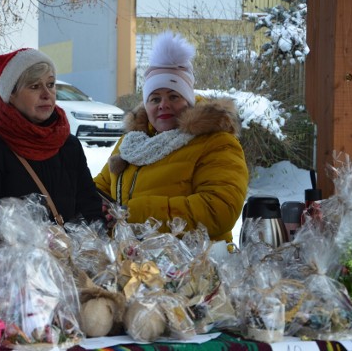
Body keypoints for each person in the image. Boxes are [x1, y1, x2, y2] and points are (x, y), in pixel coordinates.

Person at [94, 31, 248, 242]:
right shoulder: (132, 142)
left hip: (194, 266)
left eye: (173, 96)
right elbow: (101, 188)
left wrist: (132, 214)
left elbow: (219, 209)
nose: (163, 105)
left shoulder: (217, 143)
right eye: (155, 98)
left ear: (188, 100)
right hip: (135, 264)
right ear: (146, 105)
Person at [0, 48, 105, 242]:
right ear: (11, 95)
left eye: (50, 85)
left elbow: (90, 208)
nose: (46, 94)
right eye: (34, 86)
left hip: (71, 266)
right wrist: (31, 251)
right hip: (11, 268)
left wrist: (88, 246)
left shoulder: (68, 145)